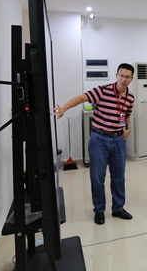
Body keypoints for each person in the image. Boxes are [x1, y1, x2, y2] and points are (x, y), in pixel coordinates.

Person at [55, 63, 136, 225]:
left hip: (119, 140)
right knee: (97, 178)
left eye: (127, 77)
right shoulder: (103, 90)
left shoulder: (130, 97)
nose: (123, 79)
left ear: (131, 79)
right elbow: (81, 98)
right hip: (99, 139)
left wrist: (128, 128)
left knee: (119, 177)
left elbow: (126, 114)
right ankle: (99, 210)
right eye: (121, 75)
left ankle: (118, 208)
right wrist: (64, 108)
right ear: (116, 75)